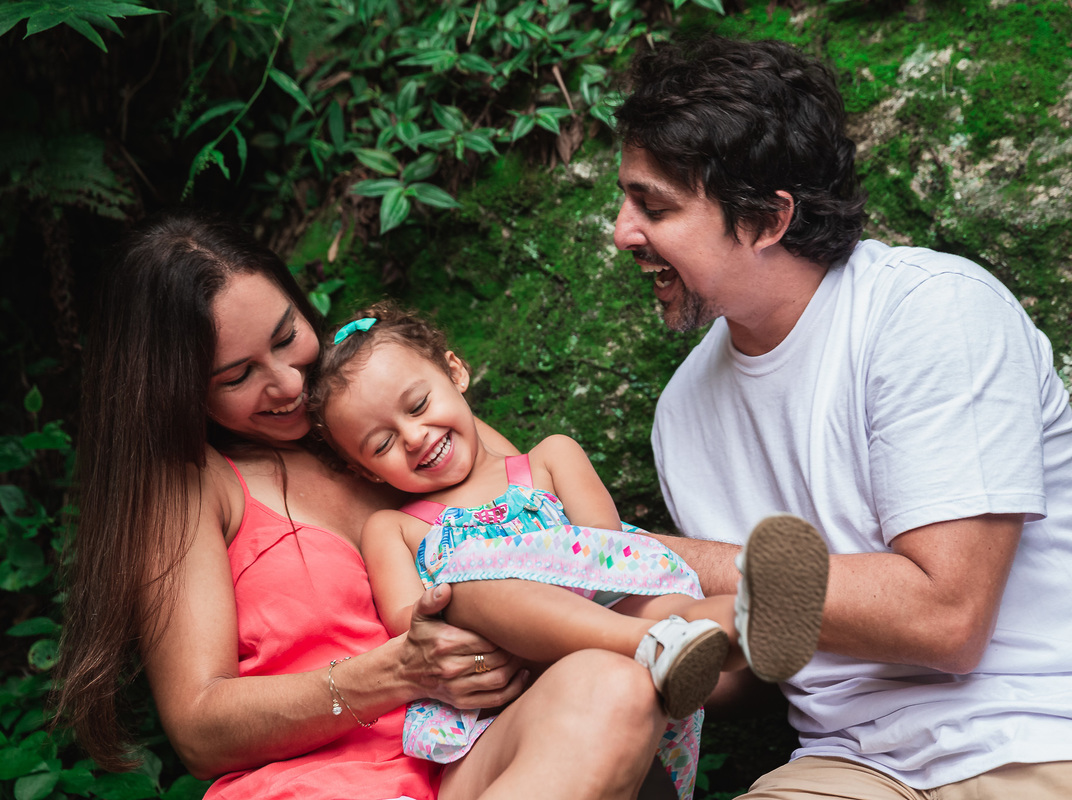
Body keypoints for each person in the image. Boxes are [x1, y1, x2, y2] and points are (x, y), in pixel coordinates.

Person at [611, 35, 1072, 800]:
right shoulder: (683, 411)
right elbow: (762, 658)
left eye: (654, 206)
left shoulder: (930, 311)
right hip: (853, 763)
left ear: (767, 218)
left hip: (1065, 731)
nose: (622, 232)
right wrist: (582, 623)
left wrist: (634, 554)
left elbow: (947, 620)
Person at [54, 209, 682, 800]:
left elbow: (580, 556)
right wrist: (398, 673)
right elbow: (198, 731)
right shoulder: (193, 483)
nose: (290, 383)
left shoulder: (388, 406)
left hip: (465, 760)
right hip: (322, 783)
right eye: (238, 376)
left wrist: (730, 580)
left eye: (287, 336)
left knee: (615, 685)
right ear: (178, 392)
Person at [306, 301, 829, 800]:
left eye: (418, 405)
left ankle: (749, 620)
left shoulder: (550, 459)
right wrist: (483, 587)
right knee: (465, 586)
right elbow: (410, 625)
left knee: (667, 606)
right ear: (365, 471)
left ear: (455, 372)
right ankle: (657, 644)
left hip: (608, 616)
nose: (414, 436)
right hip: (520, 679)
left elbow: (610, 555)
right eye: (382, 444)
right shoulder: (395, 528)